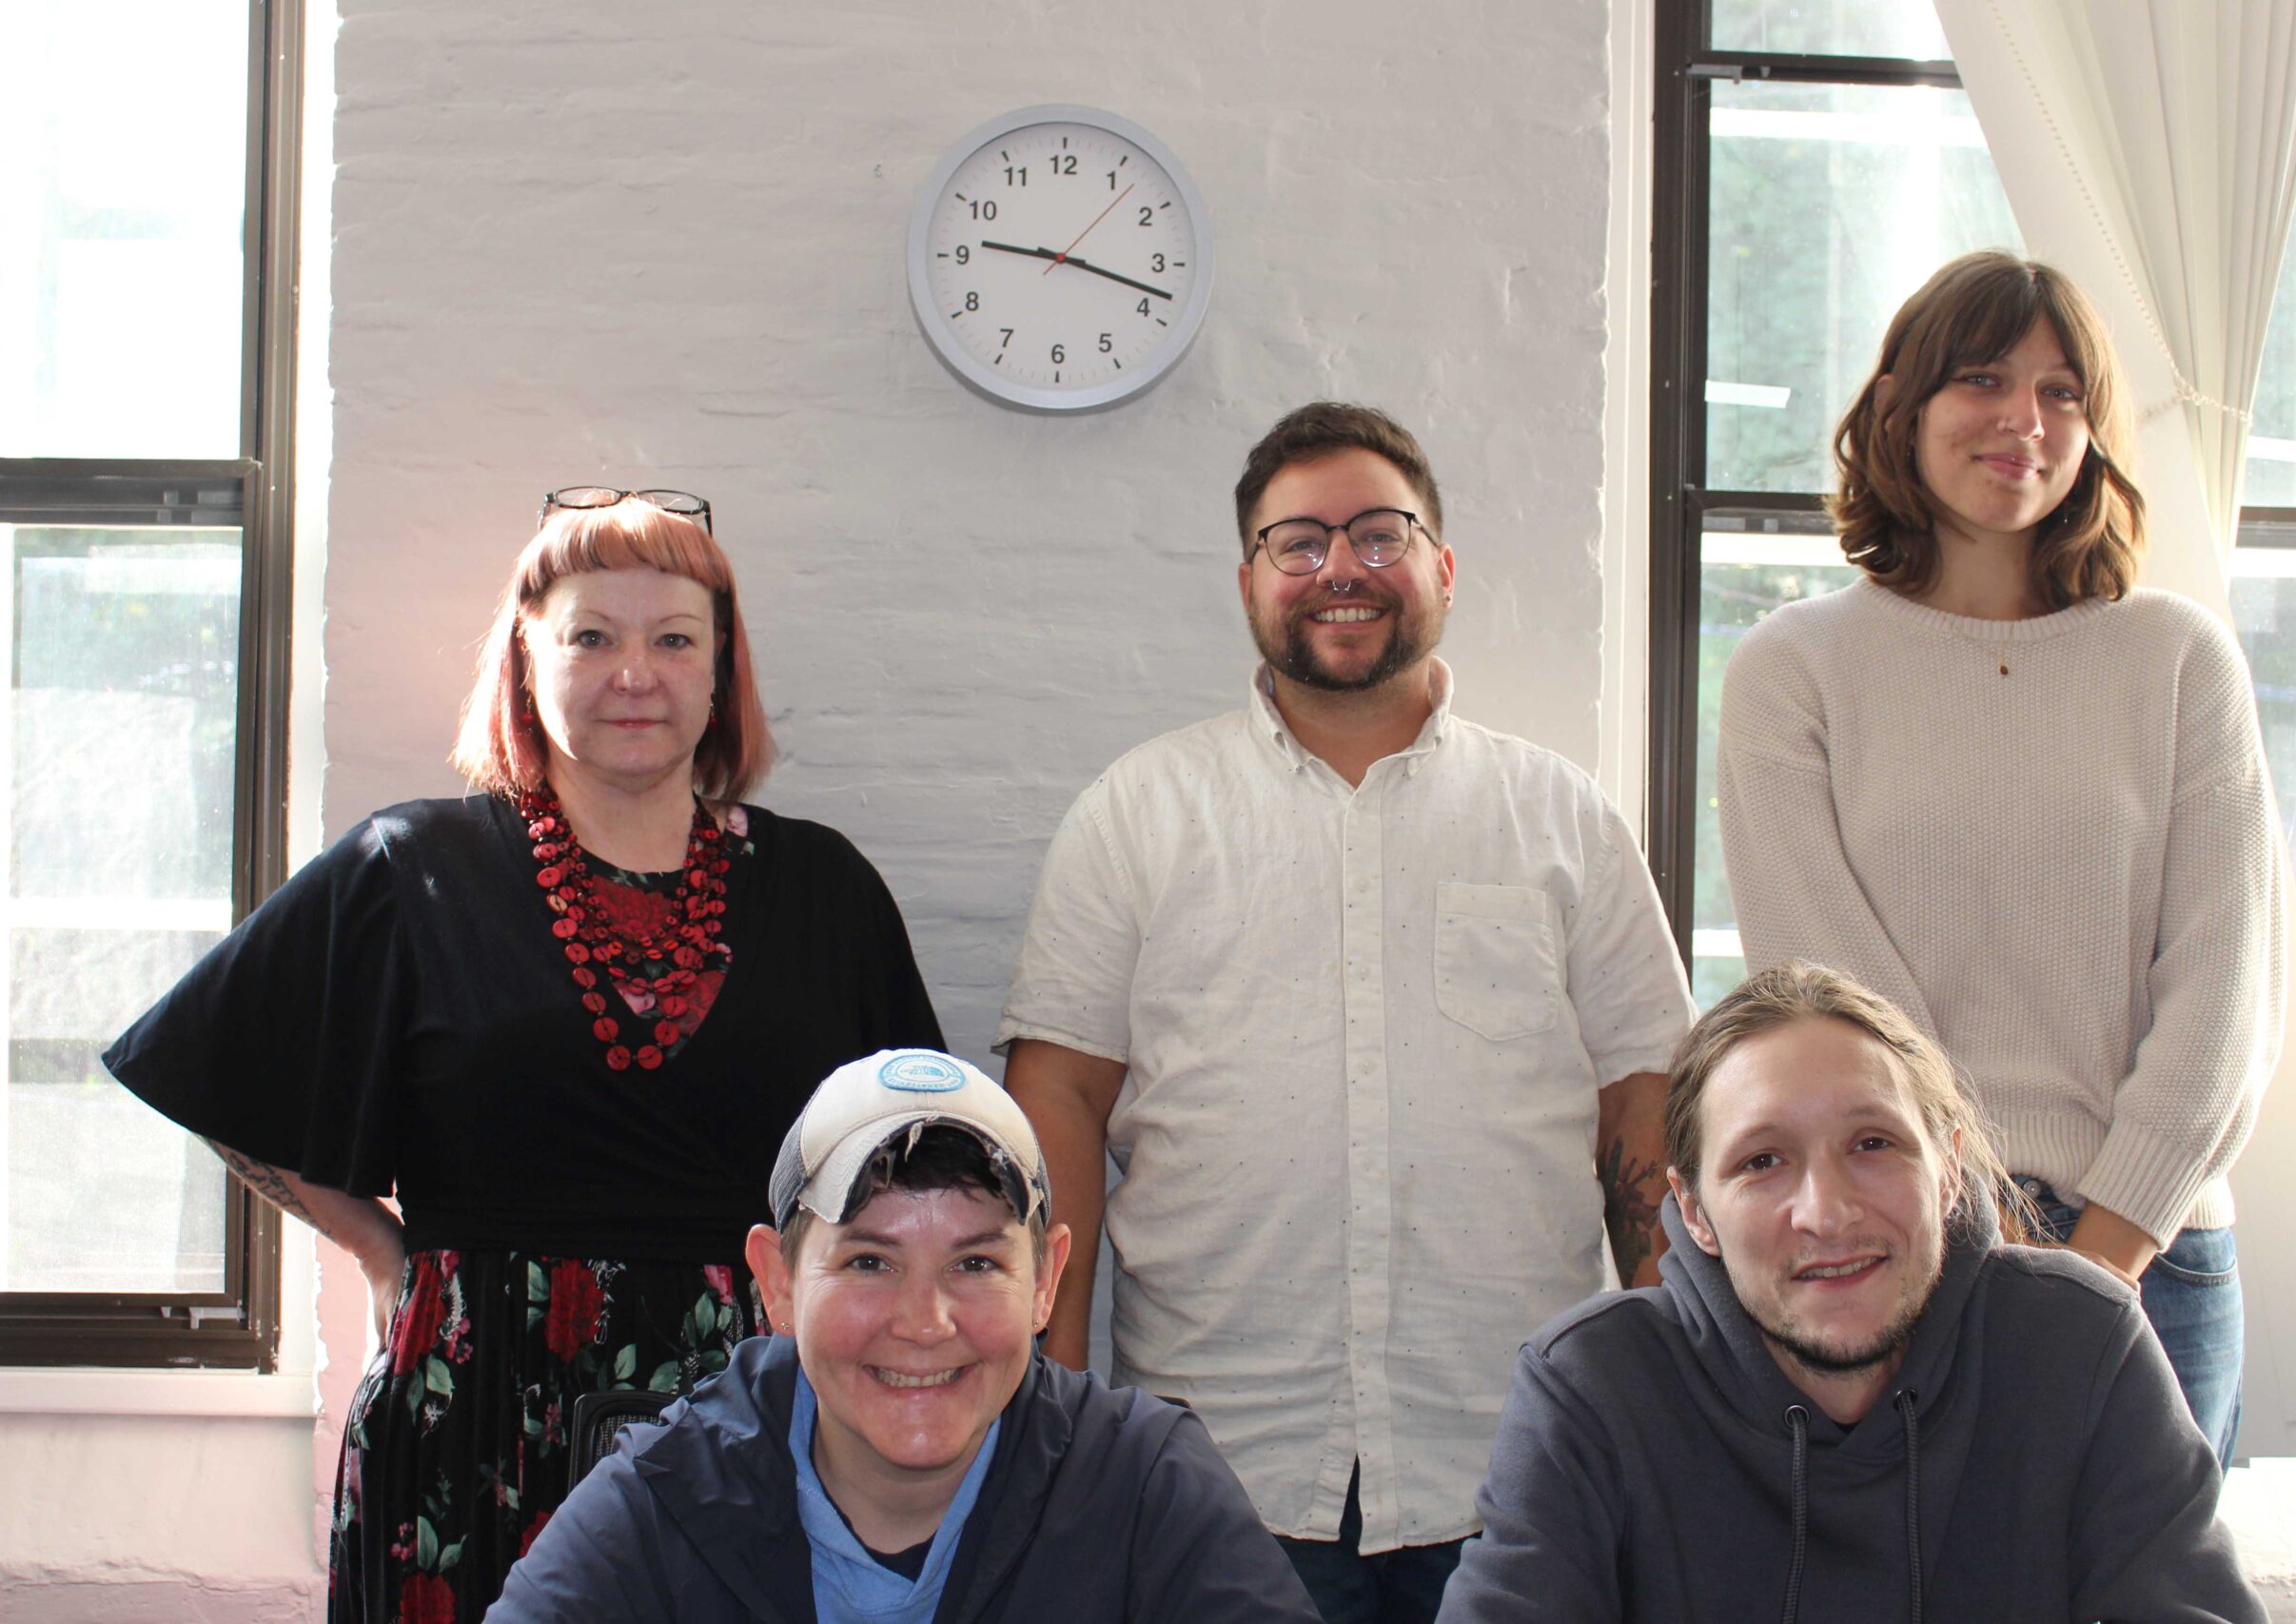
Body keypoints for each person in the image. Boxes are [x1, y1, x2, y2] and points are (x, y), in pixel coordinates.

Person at [103, 489, 944, 1624]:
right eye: (590, 636)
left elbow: (917, 1158)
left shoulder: (822, 888)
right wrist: (380, 1250)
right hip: (467, 1406)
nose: (633, 674)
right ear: (526, 660)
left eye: (673, 640)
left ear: (718, 671)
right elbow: (210, 1067)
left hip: (753, 1410)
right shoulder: (412, 868)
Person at [999, 402, 1696, 1621]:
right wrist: (1045, 1401)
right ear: (1248, 581)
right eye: (1298, 542)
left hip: (1516, 1457)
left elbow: (1645, 1102)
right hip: (1216, 1464)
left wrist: (1664, 1391)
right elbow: (1056, 1097)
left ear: (1442, 567)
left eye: (1380, 534)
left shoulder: (1561, 818)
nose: (1340, 569)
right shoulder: (1136, 814)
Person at [1715, 252, 2283, 1464]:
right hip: (1905, 1248)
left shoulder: (2177, 659)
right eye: (1981, 378)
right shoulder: (1794, 668)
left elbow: (2225, 992)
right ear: (1899, 407)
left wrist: (2102, 1263)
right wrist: (1982, 1242)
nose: (2023, 418)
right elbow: (1836, 1004)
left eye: (2061, 391)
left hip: (2155, 1252)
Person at [1436, 964, 2267, 1623]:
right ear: (1694, 1212)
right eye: (1762, 1161)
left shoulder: (2081, 1345)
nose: (1827, 1212)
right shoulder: (1590, 1386)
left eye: (1872, 1143)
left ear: (1948, 1170)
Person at [489, 1047, 1325, 1623]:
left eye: (975, 1263)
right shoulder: (665, 1493)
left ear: (1046, 1282)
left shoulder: (1145, 1484)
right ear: (777, 1283)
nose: (925, 1323)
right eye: (869, 1262)